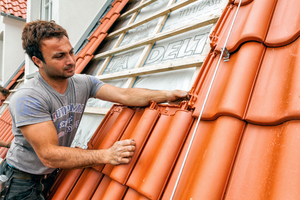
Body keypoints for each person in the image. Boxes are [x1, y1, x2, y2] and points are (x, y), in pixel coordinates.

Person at [0, 20, 189, 199]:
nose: (71, 61)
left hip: (50, 175)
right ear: (38, 61)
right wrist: (106, 155)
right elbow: (50, 155)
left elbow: (124, 95)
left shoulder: (83, 83)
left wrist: (167, 94)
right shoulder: (29, 98)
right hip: (21, 182)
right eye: (59, 56)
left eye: (71, 52)